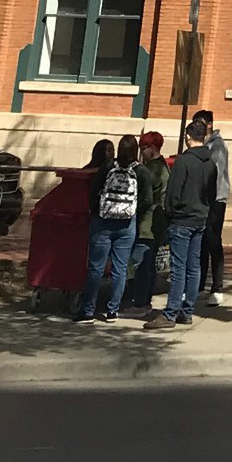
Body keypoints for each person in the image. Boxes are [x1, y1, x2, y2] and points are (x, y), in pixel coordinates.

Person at [150, 111, 218, 329]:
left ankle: (170, 312)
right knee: (193, 266)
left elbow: (172, 193)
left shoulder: (184, 162)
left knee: (179, 268)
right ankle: (187, 310)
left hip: (182, 220)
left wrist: (170, 213)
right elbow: (212, 193)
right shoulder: (211, 163)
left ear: (188, 137)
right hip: (200, 218)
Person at [76, 135, 140, 322]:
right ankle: (113, 311)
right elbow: (146, 198)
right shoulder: (139, 171)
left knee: (96, 267)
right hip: (127, 223)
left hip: (103, 221)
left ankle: (88, 311)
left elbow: (94, 189)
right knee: (120, 268)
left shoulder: (108, 167)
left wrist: (95, 210)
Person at [126, 131, 169, 315]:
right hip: (157, 223)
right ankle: (145, 301)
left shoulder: (151, 170)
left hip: (147, 224)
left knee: (142, 265)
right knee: (149, 265)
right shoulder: (164, 166)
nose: (141, 154)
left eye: (143, 149)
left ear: (151, 148)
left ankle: (140, 303)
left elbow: (142, 195)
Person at [199, 110, 231, 307]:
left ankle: (217, 287)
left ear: (210, 124)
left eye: (202, 123)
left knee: (213, 241)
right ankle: (200, 286)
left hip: (216, 199)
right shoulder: (206, 144)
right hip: (204, 200)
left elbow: (214, 174)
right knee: (202, 242)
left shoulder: (217, 146)